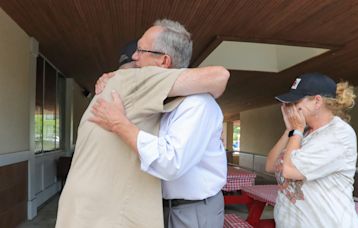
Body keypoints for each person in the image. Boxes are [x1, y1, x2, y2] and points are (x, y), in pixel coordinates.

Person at [56, 29, 229, 228]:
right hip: (159, 206)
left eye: (141, 51)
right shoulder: (154, 99)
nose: (135, 57)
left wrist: (119, 124)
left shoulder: (198, 103)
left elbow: (170, 163)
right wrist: (118, 78)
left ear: (164, 61)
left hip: (193, 209)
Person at [265, 72, 358, 227]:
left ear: (317, 101)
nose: (291, 108)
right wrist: (289, 130)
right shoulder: (304, 133)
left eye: (296, 102)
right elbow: (270, 165)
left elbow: (289, 170)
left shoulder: (338, 134)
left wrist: (296, 130)